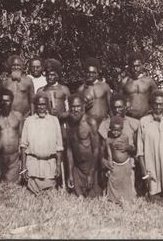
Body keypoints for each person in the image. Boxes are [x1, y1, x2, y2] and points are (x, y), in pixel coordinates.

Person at [20, 92, 63, 193]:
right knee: (31, 197)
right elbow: (23, 146)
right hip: (32, 167)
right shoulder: (29, 121)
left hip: (49, 167)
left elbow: (59, 146)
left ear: (47, 105)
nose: (41, 107)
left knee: (48, 196)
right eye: (39, 104)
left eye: (44, 104)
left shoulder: (54, 120)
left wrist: (58, 166)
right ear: (35, 105)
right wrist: (23, 167)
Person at [37, 58, 71, 187]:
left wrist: (62, 115)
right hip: (46, 127)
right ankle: (50, 180)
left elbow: (71, 110)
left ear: (58, 74)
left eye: (52, 74)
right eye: (47, 74)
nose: (49, 77)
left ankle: (67, 180)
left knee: (64, 151)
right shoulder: (41, 91)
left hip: (62, 126)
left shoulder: (64, 90)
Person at [98, 93, 139, 192]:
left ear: (126, 107)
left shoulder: (133, 123)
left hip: (129, 164)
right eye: (114, 107)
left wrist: (128, 148)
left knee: (128, 194)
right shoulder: (105, 124)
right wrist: (103, 161)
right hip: (112, 165)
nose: (117, 110)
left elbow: (138, 149)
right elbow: (100, 147)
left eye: (120, 107)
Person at [67, 93, 102, 198]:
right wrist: (70, 173)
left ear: (83, 107)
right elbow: (69, 150)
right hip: (77, 168)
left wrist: (91, 173)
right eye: (73, 107)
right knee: (77, 196)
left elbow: (96, 149)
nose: (75, 110)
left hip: (90, 167)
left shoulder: (91, 122)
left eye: (78, 106)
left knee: (93, 198)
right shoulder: (69, 123)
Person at [105, 116, 137, 203]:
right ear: (110, 129)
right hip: (115, 164)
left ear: (122, 129)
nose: (116, 132)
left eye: (118, 130)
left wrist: (126, 147)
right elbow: (109, 153)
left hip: (125, 163)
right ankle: (114, 199)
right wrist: (110, 163)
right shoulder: (108, 140)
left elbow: (131, 149)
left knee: (126, 182)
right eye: (114, 130)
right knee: (114, 181)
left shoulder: (125, 137)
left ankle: (127, 199)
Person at [0, 88, 24, 183]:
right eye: (2, 101)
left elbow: (21, 137)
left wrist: (21, 155)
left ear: (11, 101)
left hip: (14, 157)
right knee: (0, 184)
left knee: (13, 185)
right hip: (0, 157)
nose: (5, 103)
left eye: (7, 101)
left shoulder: (18, 116)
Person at [120, 52, 157, 119]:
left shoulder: (149, 81)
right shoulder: (124, 82)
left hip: (146, 119)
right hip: (129, 119)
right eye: (133, 66)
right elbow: (119, 102)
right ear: (129, 66)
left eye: (137, 66)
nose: (135, 69)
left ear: (142, 65)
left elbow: (157, 100)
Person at [77, 57, 112, 127]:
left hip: (103, 125)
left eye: (93, 73)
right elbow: (77, 111)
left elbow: (111, 108)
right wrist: (84, 107)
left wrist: (112, 122)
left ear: (98, 73)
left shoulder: (105, 87)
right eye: (88, 72)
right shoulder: (81, 89)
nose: (91, 75)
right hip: (88, 125)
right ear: (85, 72)